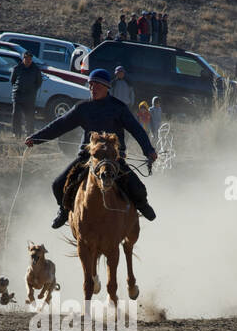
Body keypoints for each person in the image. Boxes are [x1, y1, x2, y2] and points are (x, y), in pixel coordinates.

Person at [25, 68, 158, 229]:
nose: (92, 89)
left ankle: (142, 207)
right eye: (90, 85)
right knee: (57, 185)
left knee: (138, 188)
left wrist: (149, 150)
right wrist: (36, 138)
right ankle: (64, 210)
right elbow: (60, 125)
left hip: (113, 158)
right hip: (88, 157)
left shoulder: (119, 108)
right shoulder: (83, 108)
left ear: (107, 87)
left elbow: (137, 130)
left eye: (97, 86)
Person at [9, 49, 42, 137]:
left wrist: (32, 91)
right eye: (27, 59)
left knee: (29, 116)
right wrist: (18, 89)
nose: (28, 61)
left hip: (30, 96)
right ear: (23, 59)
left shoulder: (36, 69)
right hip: (18, 95)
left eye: (30, 59)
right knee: (16, 115)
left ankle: (29, 134)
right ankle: (16, 133)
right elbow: (13, 81)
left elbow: (39, 82)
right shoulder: (17, 68)